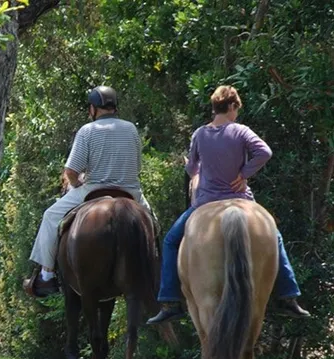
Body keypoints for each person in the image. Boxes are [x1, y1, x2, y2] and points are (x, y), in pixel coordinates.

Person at [146, 85, 310, 324]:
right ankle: (288, 295)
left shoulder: (200, 134)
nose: (236, 114)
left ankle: (170, 299)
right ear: (232, 106)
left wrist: (197, 167)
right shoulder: (241, 131)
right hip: (240, 199)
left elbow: (191, 168)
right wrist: (244, 173)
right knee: (274, 236)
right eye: (236, 109)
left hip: (206, 202)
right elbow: (264, 152)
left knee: (171, 240)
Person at [23, 86, 154, 297]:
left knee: (50, 217)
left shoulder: (87, 130)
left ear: (93, 109)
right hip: (130, 191)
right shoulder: (131, 129)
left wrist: (76, 184)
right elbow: (137, 166)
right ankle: (155, 269)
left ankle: (46, 276)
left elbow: (71, 171)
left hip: (94, 189)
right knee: (152, 223)